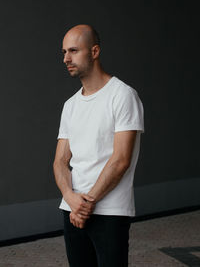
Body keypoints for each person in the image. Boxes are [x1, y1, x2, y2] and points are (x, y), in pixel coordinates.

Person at [53, 24, 144, 267]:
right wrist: (70, 198)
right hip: (72, 208)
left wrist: (86, 203)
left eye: (73, 50)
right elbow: (60, 160)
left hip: (110, 211)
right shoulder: (70, 105)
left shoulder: (123, 95)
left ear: (94, 51)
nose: (66, 58)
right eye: (63, 52)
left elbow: (121, 159)